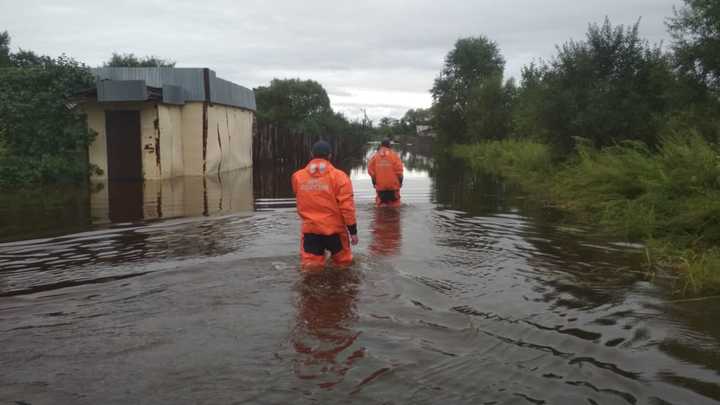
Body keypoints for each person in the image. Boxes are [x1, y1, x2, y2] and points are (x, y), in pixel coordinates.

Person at [292, 140, 359, 269]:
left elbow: (300, 197)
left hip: (310, 231)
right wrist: (353, 232)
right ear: (330, 156)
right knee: (344, 267)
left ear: (311, 154)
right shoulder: (340, 177)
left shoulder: (297, 177)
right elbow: (347, 208)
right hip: (335, 232)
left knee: (311, 269)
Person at [367, 138, 404, 207]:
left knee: (380, 207)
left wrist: (374, 183)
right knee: (395, 207)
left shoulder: (375, 156)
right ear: (389, 145)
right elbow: (399, 172)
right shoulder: (394, 156)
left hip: (380, 187)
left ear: (381, 145)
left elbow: (371, 171)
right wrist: (400, 183)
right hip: (393, 186)